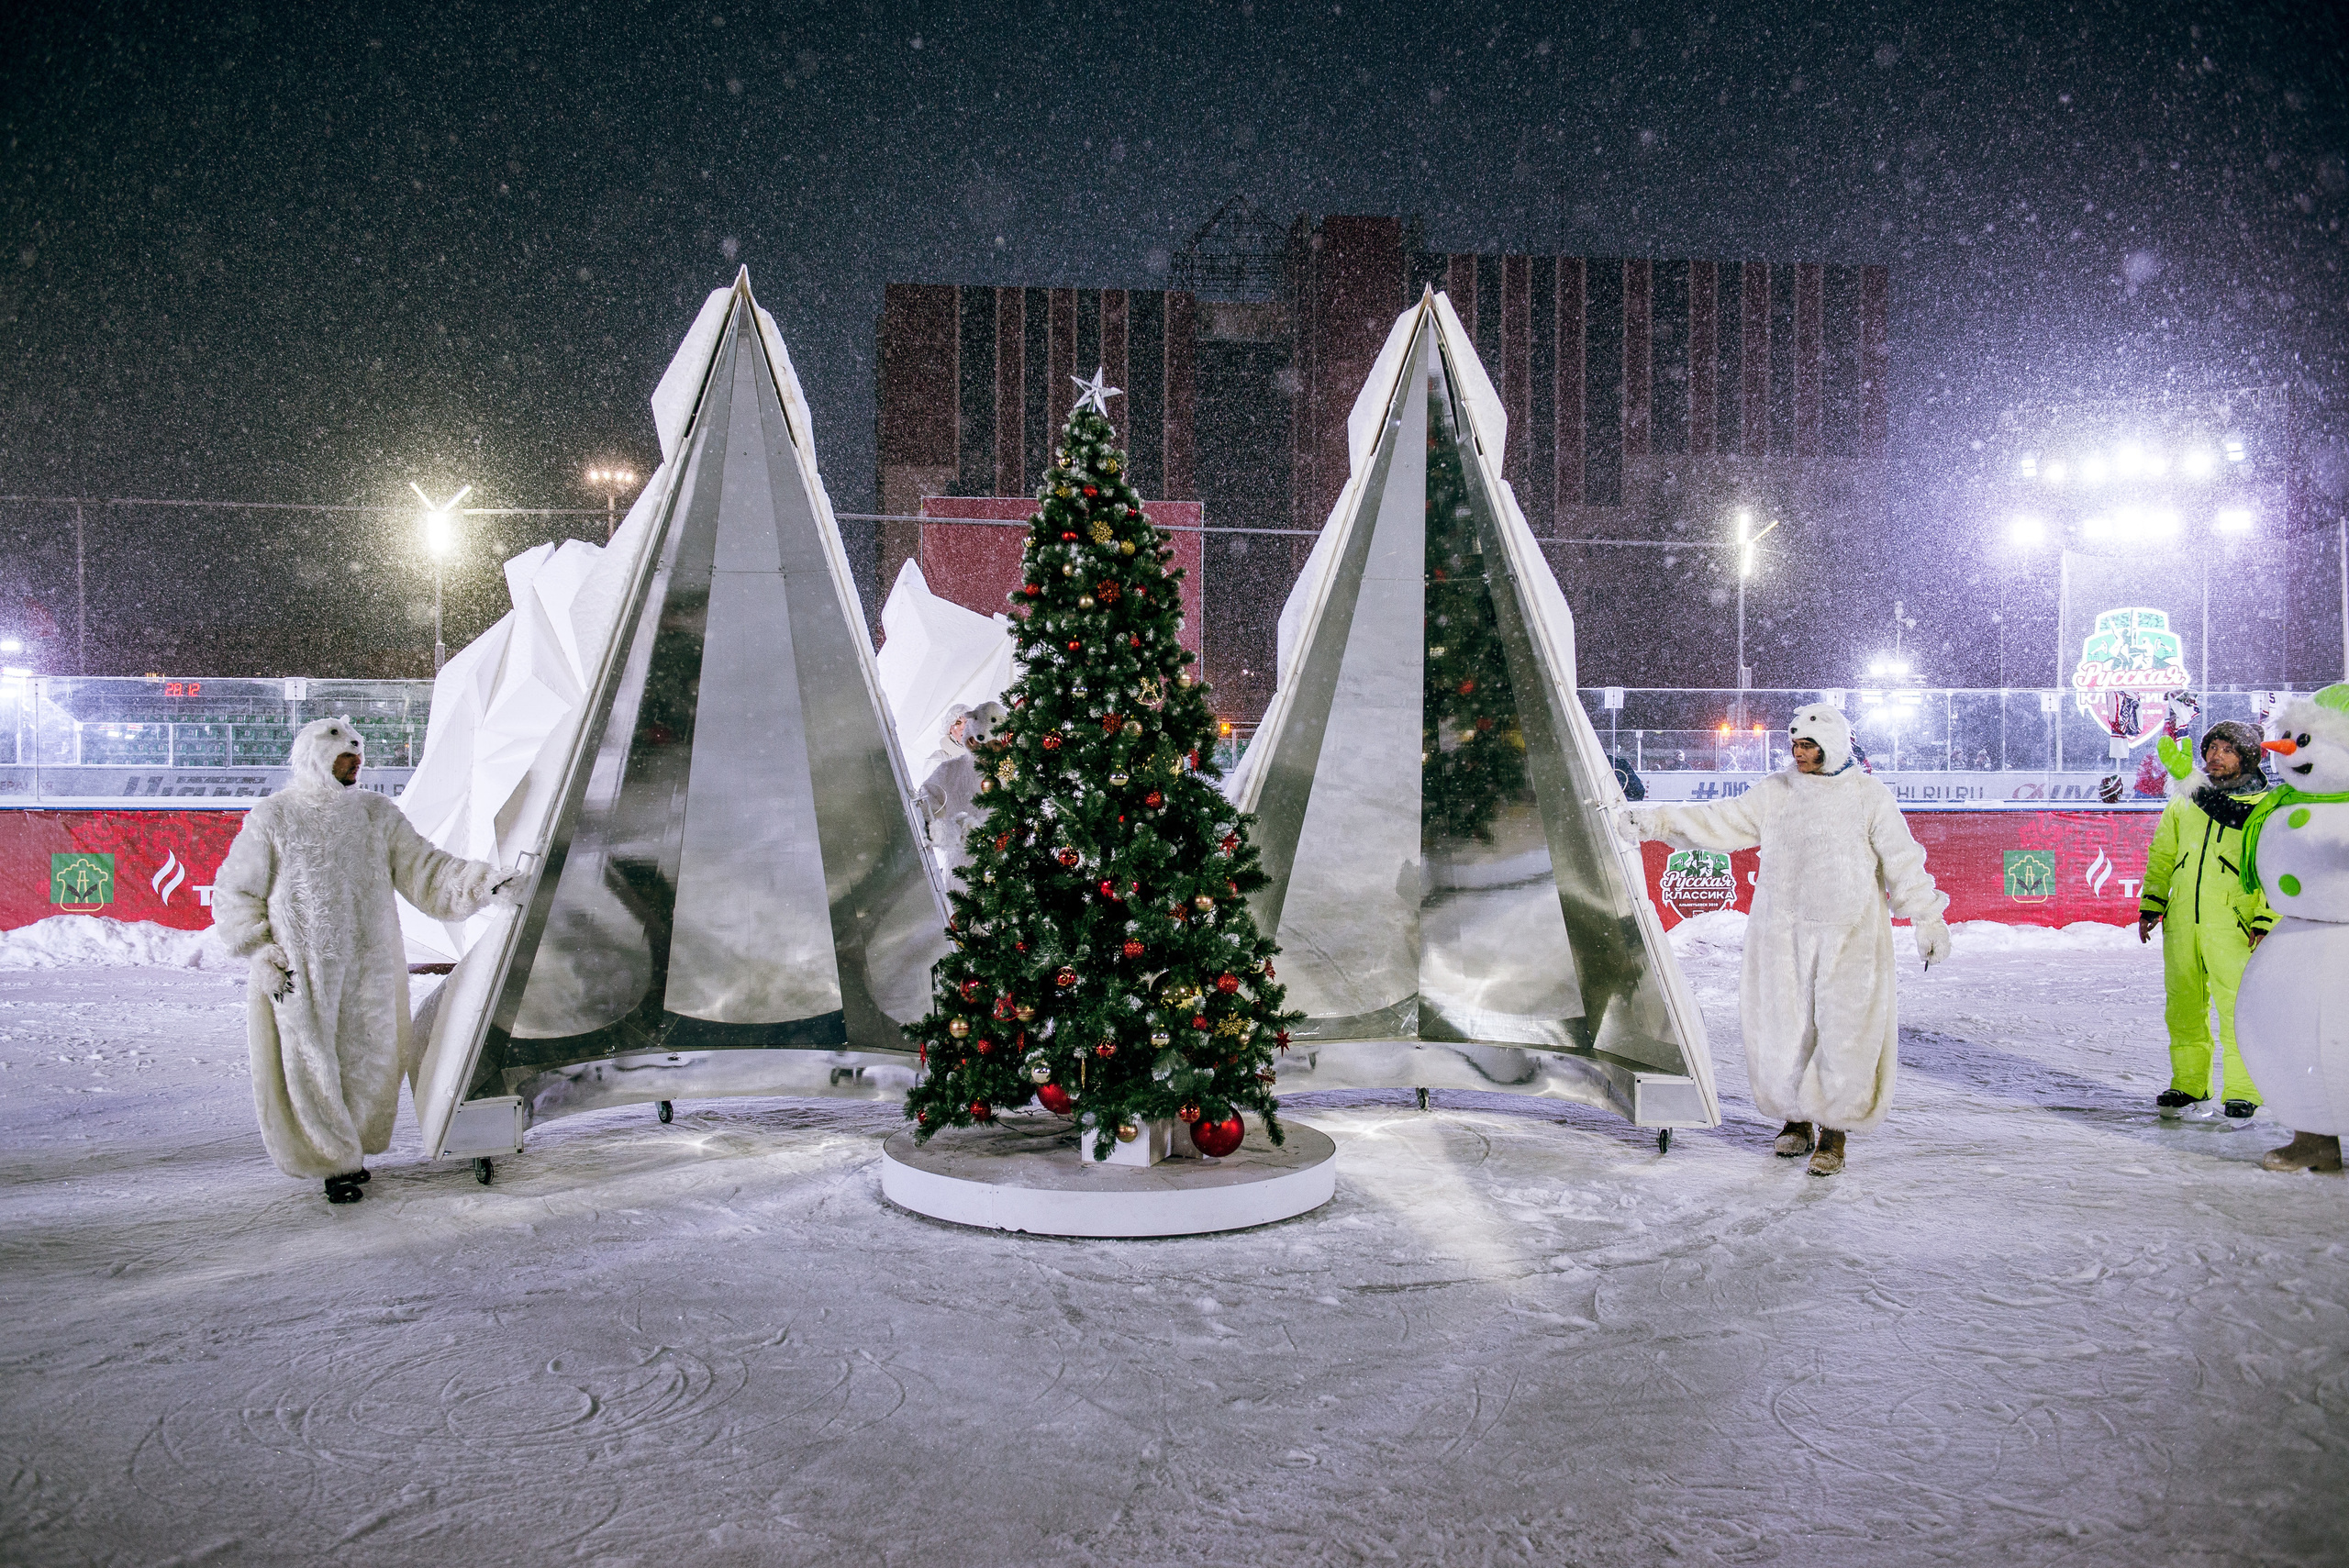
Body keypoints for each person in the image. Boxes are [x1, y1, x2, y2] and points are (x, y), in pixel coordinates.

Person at [1620, 702, 1949, 1175]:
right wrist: (1658, 821)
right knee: (1785, 1028)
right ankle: (1797, 1122)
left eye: (1809, 746)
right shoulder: (1775, 793)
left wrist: (1927, 919)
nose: (1799, 753)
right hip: (1781, 933)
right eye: (1795, 744)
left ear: (1832, 747)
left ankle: (1834, 1133)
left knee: (1843, 1031)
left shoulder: (1869, 796)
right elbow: (1721, 820)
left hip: (1850, 934)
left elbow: (1903, 861)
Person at [213, 717, 517, 1204]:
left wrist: (483, 883)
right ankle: (333, 1162)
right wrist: (259, 949)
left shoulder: (376, 814)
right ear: (315, 757)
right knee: (311, 1061)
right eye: (343, 756)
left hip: (371, 965)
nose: (355, 763)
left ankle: (349, 1149)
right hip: (301, 968)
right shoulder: (275, 817)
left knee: (373, 1057)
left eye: (358, 756)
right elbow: (234, 891)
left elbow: (426, 870)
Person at [2137, 721, 2274, 1124]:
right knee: (2182, 1007)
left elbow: (2273, 866)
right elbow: (2163, 854)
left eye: (2227, 749)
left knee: (2238, 1009)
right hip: (2183, 921)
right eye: (2212, 747)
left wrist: (2266, 918)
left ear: (2247, 757)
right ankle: (2190, 1083)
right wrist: (2152, 904)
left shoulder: (2266, 807)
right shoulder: (2185, 800)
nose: (2215, 755)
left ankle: (2244, 1090)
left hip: (2236, 923)